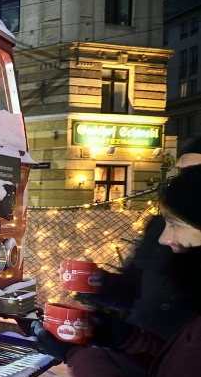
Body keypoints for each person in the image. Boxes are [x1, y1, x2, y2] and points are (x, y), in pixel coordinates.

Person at [34, 166, 201, 377]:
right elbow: (179, 365)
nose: (165, 238)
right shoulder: (164, 245)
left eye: (175, 223)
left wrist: (77, 355)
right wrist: (125, 339)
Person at [80, 137, 201, 340]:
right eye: (181, 172)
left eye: (195, 173)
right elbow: (136, 289)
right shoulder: (159, 228)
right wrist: (97, 283)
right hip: (139, 356)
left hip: (171, 362)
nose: (185, 183)